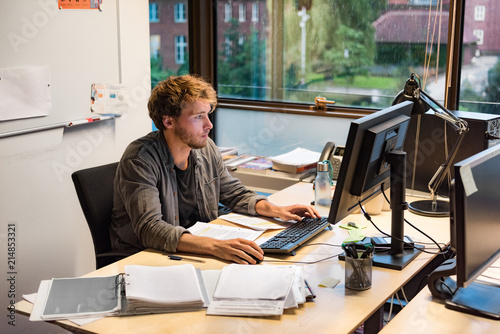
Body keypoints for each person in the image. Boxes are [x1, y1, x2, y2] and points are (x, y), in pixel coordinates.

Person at [110, 74, 320, 264]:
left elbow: (234, 193)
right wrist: (215, 246)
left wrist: (276, 210)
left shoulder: (205, 148)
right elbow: (150, 229)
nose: (209, 125)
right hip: (147, 260)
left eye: (208, 115)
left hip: (195, 250)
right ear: (168, 121)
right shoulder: (140, 160)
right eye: (198, 116)